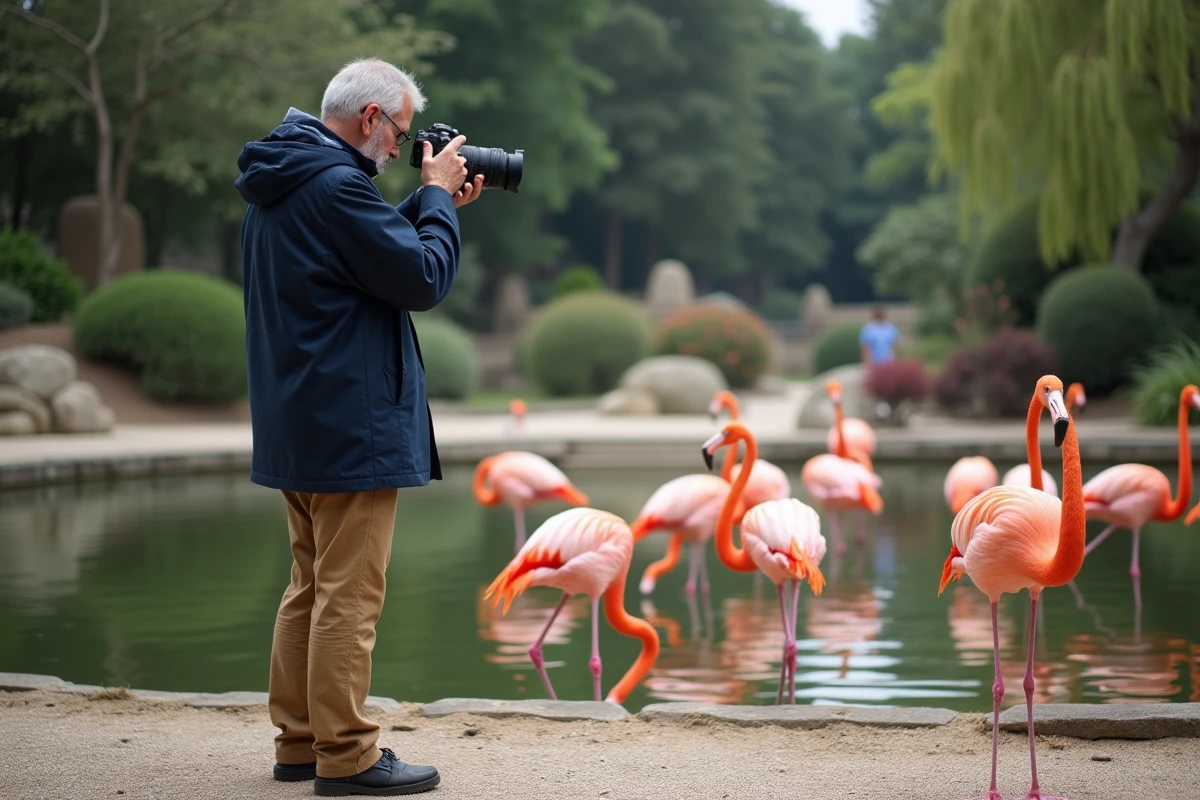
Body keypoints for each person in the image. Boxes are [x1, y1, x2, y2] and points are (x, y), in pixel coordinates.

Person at [234, 57, 485, 796]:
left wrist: (433, 207)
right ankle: (346, 754)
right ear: (369, 117)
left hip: (301, 418)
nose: (400, 153)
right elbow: (420, 280)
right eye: (400, 134)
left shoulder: (288, 178)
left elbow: (354, 260)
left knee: (310, 585)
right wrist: (434, 198)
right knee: (349, 594)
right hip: (352, 424)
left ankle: (300, 742)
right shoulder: (338, 184)